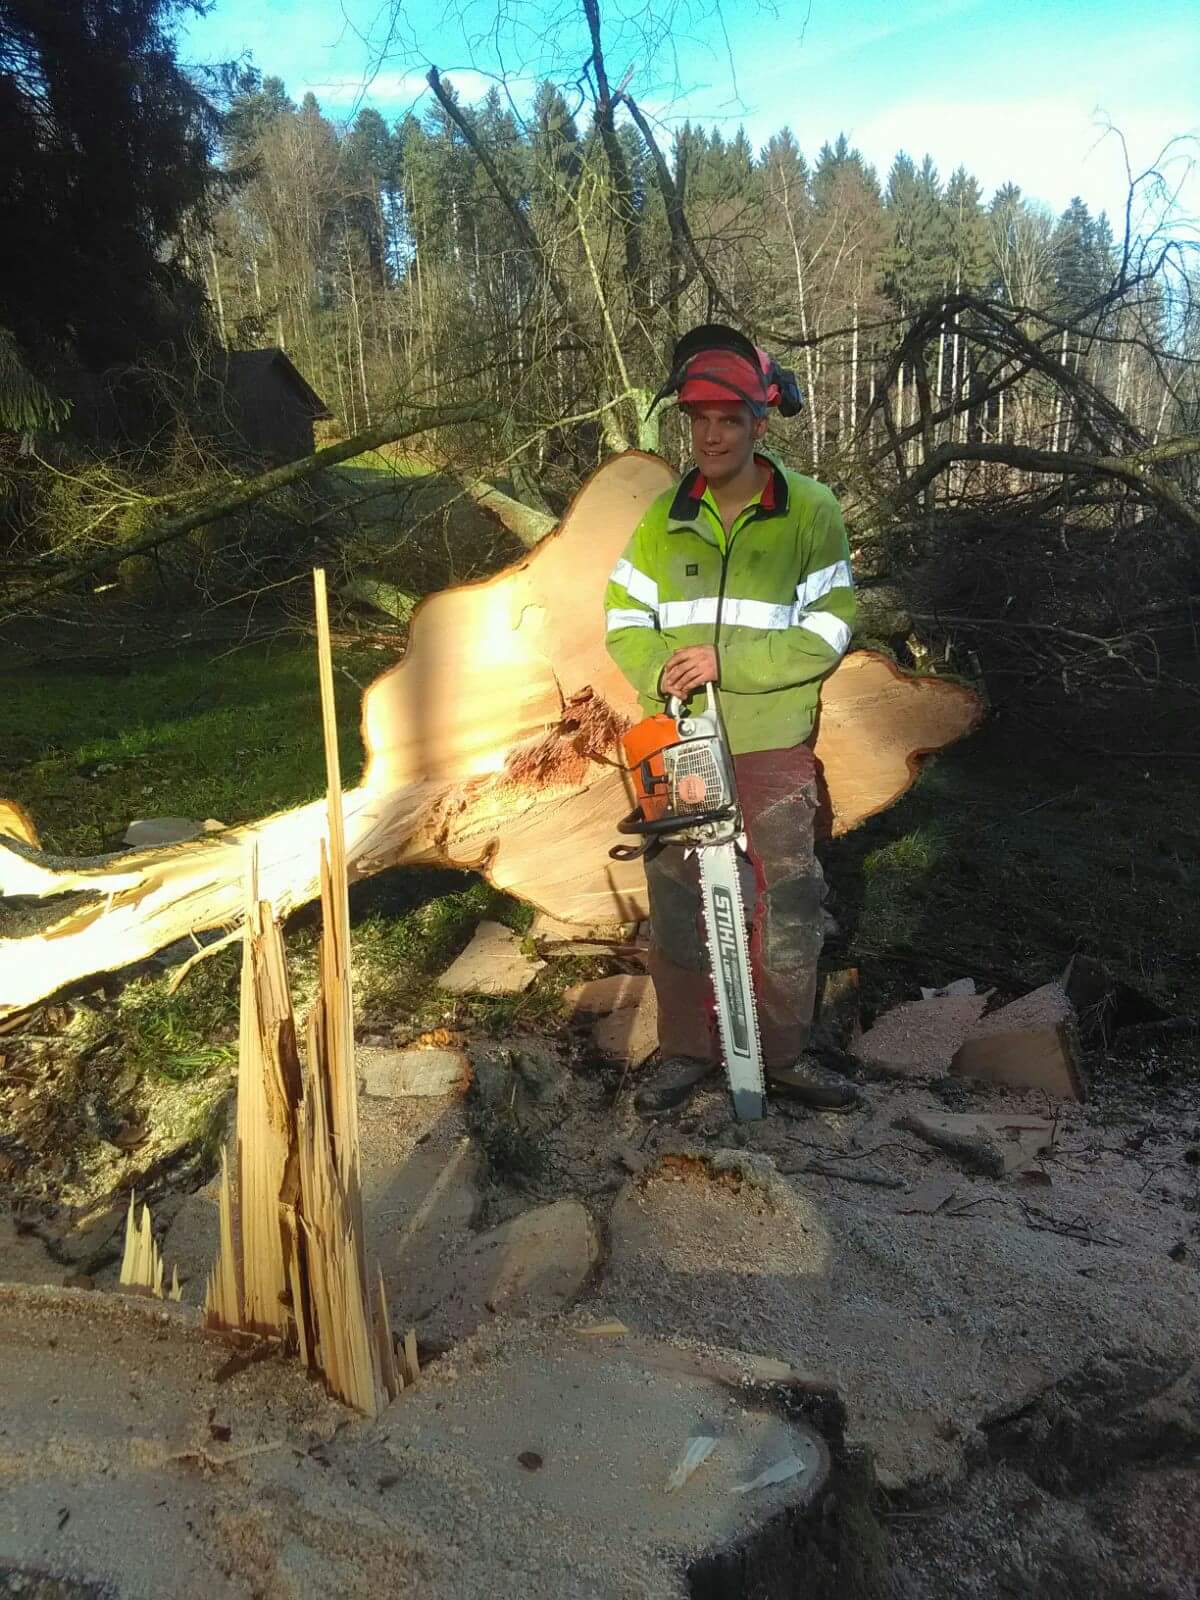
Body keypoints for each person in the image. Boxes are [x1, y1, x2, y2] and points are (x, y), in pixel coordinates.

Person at [604, 324, 861, 1113]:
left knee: (788, 896)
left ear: (759, 424)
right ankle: (687, 1050)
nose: (711, 437)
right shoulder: (664, 518)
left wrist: (728, 663)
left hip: (770, 738)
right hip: (680, 741)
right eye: (700, 421)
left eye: (728, 421)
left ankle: (782, 1054)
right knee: (678, 897)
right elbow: (624, 617)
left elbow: (829, 629)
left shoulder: (810, 511)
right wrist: (661, 672)